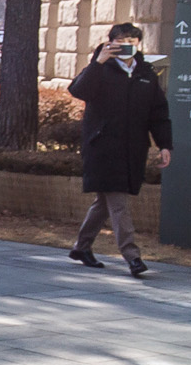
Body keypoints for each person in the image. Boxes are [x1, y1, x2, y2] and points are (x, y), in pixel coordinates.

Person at [68, 23, 172, 278]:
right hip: (103, 146)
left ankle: (81, 247)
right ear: (110, 42)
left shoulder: (146, 73)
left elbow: (158, 114)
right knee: (118, 202)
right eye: (122, 40)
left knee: (104, 202)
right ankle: (132, 257)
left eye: (133, 41)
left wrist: (165, 145)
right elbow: (78, 90)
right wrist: (98, 62)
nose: (128, 45)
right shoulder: (101, 69)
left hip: (133, 148)